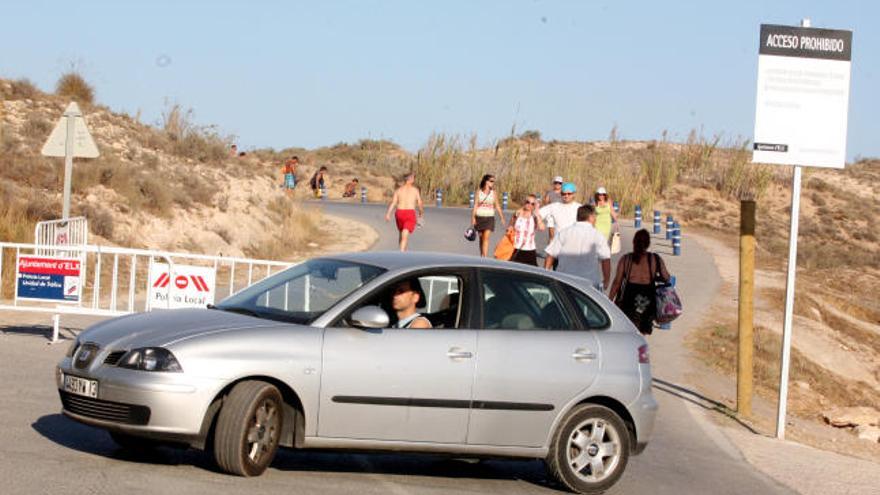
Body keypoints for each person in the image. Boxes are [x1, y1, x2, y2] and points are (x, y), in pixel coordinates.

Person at [608, 229, 670, 335]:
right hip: (647, 300)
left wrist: (609, 301)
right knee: (643, 331)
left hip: (629, 301)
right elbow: (667, 277)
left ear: (634, 242)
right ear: (648, 243)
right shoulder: (655, 259)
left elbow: (616, 283)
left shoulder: (626, 259)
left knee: (628, 331)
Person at [544, 204, 611, 291]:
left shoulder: (564, 233)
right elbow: (606, 259)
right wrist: (606, 280)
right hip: (588, 284)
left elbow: (550, 255)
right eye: (595, 217)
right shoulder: (598, 236)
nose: (595, 220)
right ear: (591, 217)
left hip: (564, 281)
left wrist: (546, 273)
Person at [385, 173, 425, 252]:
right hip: (409, 213)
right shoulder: (415, 190)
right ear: (410, 179)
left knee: (401, 233)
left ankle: (402, 251)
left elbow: (393, 202)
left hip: (399, 213)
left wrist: (388, 214)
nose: (414, 180)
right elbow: (420, 203)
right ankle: (401, 254)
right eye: (413, 178)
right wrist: (421, 213)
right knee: (405, 235)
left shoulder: (398, 190)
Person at [506, 194, 546, 266]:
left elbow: (542, 228)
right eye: (528, 202)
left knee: (531, 273)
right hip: (516, 248)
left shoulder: (534, 216)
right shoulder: (517, 213)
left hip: (529, 250)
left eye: (532, 204)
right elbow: (510, 226)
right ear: (524, 202)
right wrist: (510, 227)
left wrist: (537, 214)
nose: (529, 205)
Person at [472, 174, 506, 257]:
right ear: (486, 181)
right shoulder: (479, 192)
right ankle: (482, 255)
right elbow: (475, 205)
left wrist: (502, 217)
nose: (493, 183)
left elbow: (497, 205)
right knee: (481, 238)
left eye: (493, 181)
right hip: (479, 217)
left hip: (489, 218)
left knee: (486, 238)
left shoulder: (493, 193)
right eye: (491, 181)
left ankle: (485, 257)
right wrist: (473, 218)